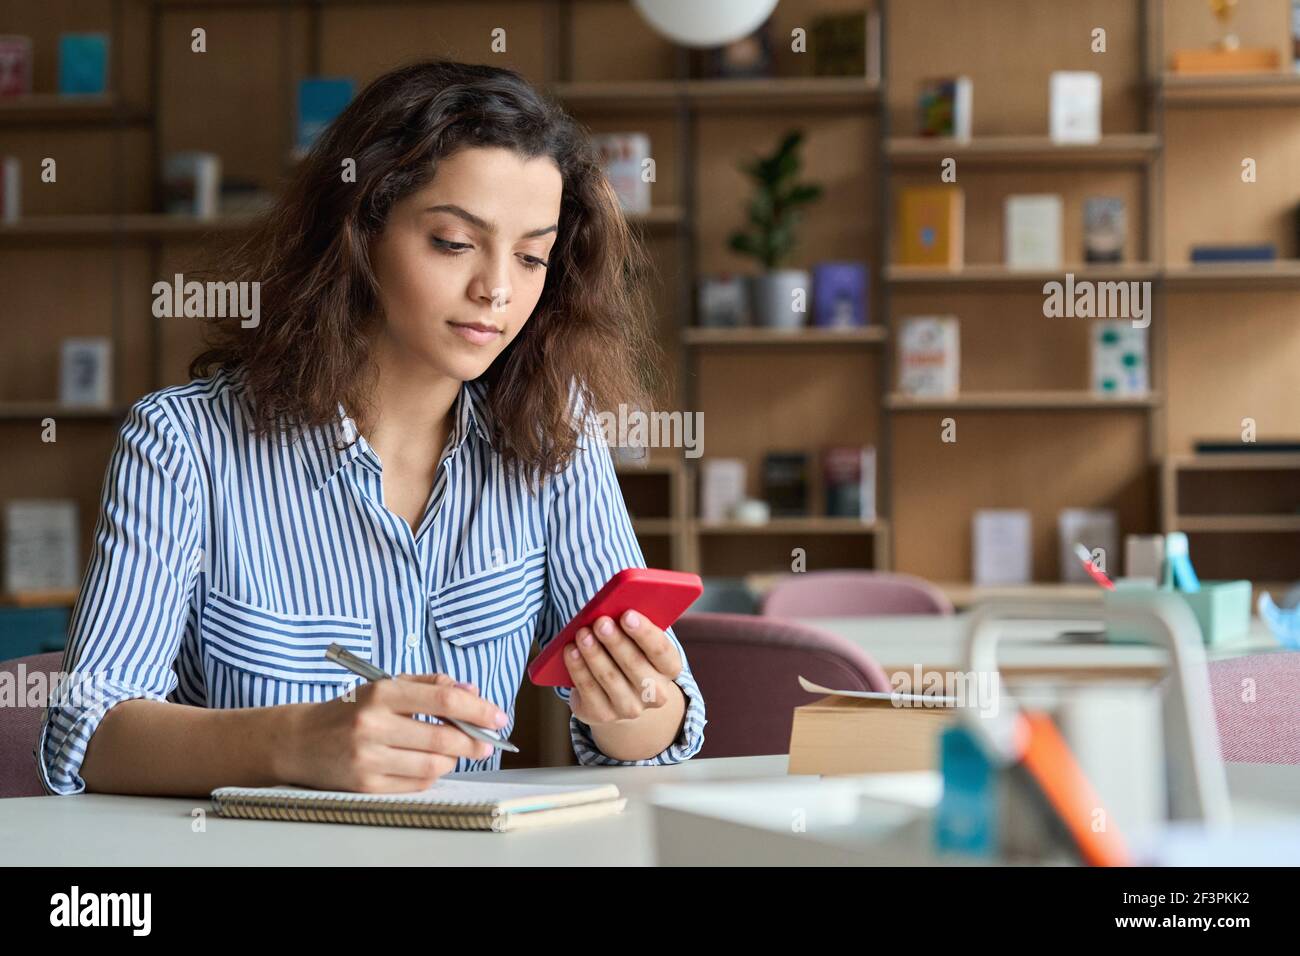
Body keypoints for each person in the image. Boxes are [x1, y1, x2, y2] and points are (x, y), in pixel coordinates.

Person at [37, 59, 706, 797]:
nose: (498, 289)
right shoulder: (183, 446)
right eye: (454, 243)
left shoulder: (554, 441)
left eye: (531, 256)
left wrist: (634, 710)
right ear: (358, 232)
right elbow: (86, 731)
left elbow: (655, 742)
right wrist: (293, 744)